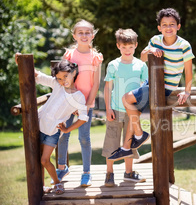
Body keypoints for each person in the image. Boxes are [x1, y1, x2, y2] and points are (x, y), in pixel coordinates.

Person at [108, 8, 194, 161]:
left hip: (164, 88)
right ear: (159, 28)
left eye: (172, 24)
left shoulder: (184, 45)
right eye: (165, 25)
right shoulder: (155, 40)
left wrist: (187, 91)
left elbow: (188, 71)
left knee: (127, 99)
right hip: (150, 82)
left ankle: (140, 135)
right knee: (134, 113)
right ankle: (126, 148)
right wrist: (151, 50)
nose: (168, 28)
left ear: (178, 26)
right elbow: (142, 57)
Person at [15, 56, 88, 194]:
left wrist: (67, 129)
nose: (63, 81)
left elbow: (83, 118)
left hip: (53, 131)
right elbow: (38, 75)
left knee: (44, 160)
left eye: (65, 77)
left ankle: (57, 183)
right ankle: (42, 186)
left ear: (74, 73)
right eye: (59, 78)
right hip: (38, 126)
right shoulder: (57, 85)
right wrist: (20, 61)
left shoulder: (79, 96)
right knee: (36, 159)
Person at [55, 19, 103, 187]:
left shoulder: (96, 58)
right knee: (62, 134)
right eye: (80, 32)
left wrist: (84, 105)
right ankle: (62, 168)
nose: (84, 35)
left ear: (93, 35)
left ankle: (87, 173)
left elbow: (96, 84)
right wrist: (72, 102)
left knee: (84, 138)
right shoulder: (68, 55)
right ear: (74, 35)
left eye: (87, 32)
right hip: (67, 102)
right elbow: (63, 79)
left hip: (86, 104)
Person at [102, 29, 148, 186]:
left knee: (130, 143)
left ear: (136, 45)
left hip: (132, 111)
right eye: (123, 47)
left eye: (130, 47)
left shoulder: (141, 65)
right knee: (111, 141)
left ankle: (129, 173)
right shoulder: (113, 65)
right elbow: (107, 88)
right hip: (115, 110)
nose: (127, 50)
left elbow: (145, 88)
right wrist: (108, 108)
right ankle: (109, 174)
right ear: (118, 46)